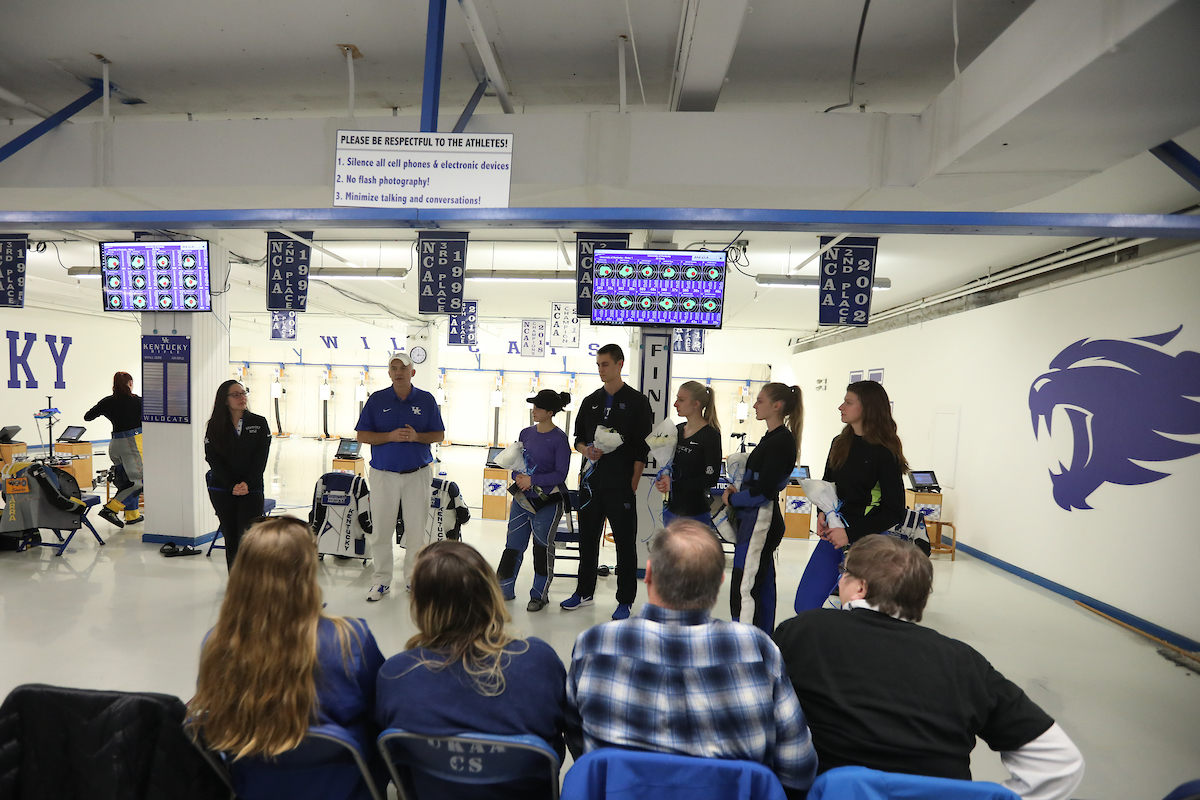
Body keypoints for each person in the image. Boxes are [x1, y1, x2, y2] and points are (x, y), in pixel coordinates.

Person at [773, 535, 1085, 800]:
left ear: (861, 588)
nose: (839, 578)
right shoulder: (966, 662)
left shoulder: (804, 631)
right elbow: (1060, 762)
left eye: (844, 572)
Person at [565, 519, 817, 798]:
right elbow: (798, 767)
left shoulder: (595, 643)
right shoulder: (759, 650)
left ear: (648, 573)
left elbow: (580, 746)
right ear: (720, 582)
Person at [188, 517, 386, 799]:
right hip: (342, 787)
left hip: (252, 786)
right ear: (306, 573)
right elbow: (381, 714)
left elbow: (214, 715)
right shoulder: (349, 639)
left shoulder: (217, 642)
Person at [377, 540, 567, 800]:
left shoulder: (396, 674)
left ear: (420, 605)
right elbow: (556, 745)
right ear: (490, 592)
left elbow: (394, 763)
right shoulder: (537, 660)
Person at [562, 343, 653, 620]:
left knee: (625, 545)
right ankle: (584, 592)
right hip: (590, 485)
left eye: (606, 364)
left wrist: (633, 483)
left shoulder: (638, 403)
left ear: (619, 364)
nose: (601, 369)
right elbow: (577, 438)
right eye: (598, 365)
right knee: (587, 541)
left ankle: (625, 600)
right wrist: (585, 450)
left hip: (621, 485)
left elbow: (642, 448)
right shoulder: (590, 401)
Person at [799, 380, 908, 611]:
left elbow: (894, 510)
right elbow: (828, 486)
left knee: (862, 612)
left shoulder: (884, 453)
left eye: (848, 403)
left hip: (868, 539)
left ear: (867, 408)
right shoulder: (840, 443)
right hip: (834, 535)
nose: (841, 407)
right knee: (805, 605)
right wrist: (822, 514)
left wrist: (849, 534)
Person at [355, 351, 445, 601]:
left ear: (412, 372)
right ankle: (381, 580)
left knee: (416, 531)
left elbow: (438, 435)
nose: (398, 372)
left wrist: (417, 437)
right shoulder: (377, 400)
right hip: (384, 476)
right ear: (389, 373)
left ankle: (413, 580)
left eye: (403, 368)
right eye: (393, 368)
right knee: (381, 529)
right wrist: (389, 436)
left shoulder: (426, 400)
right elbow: (362, 436)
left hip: (417, 475)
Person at [722, 382, 802, 633]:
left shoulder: (781, 441)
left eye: (760, 400)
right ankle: (762, 637)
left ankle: (745, 642)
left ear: (777, 406)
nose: (755, 405)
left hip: (761, 522)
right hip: (755, 520)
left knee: (746, 585)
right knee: (760, 581)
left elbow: (764, 492)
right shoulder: (772, 438)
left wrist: (733, 500)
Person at [496, 389, 573, 612]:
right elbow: (516, 460)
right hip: (521, 500)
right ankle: (503, 589)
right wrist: (518, 477)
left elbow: (560, 474)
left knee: (541, 548)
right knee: (512, 546)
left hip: (548, 503)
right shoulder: (526, 433)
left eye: (538, 408)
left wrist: (533, 480)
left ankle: (539, 595)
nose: (534, 411)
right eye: (533, 407)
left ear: (550, 412)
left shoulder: (560, 440)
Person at [204, 379, 271, 569]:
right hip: (222, 488)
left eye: (243, 393)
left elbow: (260, 458)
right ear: (225, 400)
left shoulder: (259, 423)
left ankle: (251, 582)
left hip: (251, 488)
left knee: (250, 536)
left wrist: (247, 483)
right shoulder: (215, 425)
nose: (242, 397)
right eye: (236, 394)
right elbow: (213, 458)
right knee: (231, 535)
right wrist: (230, 484)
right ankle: (235, 582)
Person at [655, 380, 722, 528]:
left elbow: (711, 478)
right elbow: (670, 464)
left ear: (695, 404)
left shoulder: (710, 435)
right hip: (671, 510)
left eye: (681, 400)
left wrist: (673, 483)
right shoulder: (676, 430)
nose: (675, 404)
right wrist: (663, 478)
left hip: (695, 513)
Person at [85, 371, 144, 527]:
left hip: (114, 444)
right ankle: (111, 509)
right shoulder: (138, 402)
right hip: (132, 443)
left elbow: (88, 416)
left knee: (126, 481)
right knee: (138, 482)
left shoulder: (107, 402)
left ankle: (132, 515)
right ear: (130, 383)